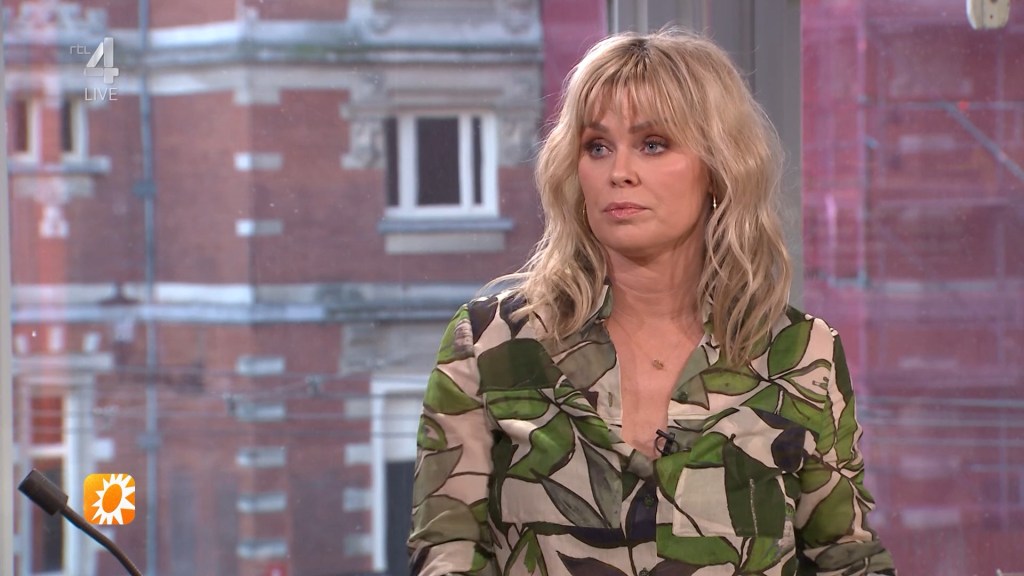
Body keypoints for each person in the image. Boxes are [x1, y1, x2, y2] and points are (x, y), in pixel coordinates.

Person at [407, 28, 897, 576]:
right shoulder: (491, 344)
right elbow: (446, 550)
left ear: (718, 167)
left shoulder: (802, 355)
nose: (619, 172)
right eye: (597, 147)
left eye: (653, 144)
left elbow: (847, 559)